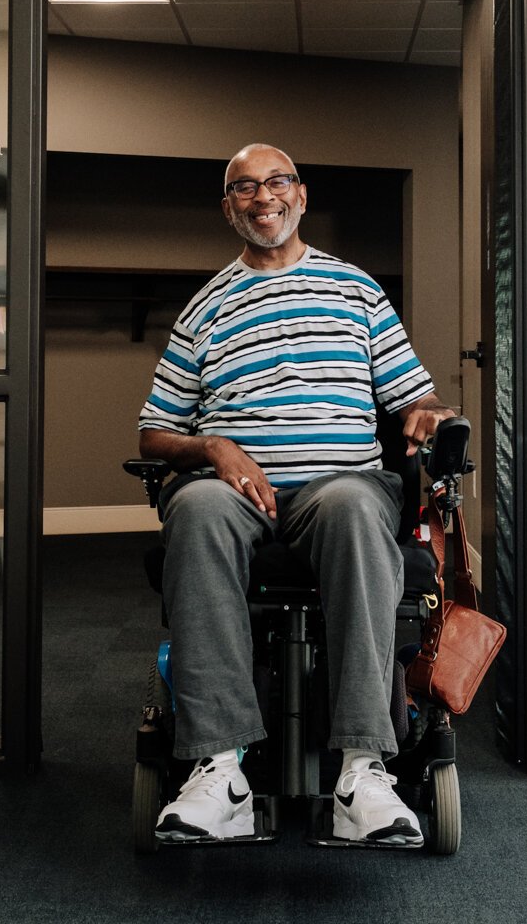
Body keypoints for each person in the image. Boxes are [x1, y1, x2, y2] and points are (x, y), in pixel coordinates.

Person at [138, 143, 457, 846]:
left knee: (349, 504)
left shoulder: (356, 290)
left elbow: (416, 394)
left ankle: (363, 772)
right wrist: (213, 447)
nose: (263, 197)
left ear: (301, 196)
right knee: (192, 505)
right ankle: (219, 772)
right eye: (244, 188)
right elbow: (155, 433)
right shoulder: (206, 307)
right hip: (233, 494)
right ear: (229, 209)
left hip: (338, 488)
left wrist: (426, 412)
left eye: (276, 182)